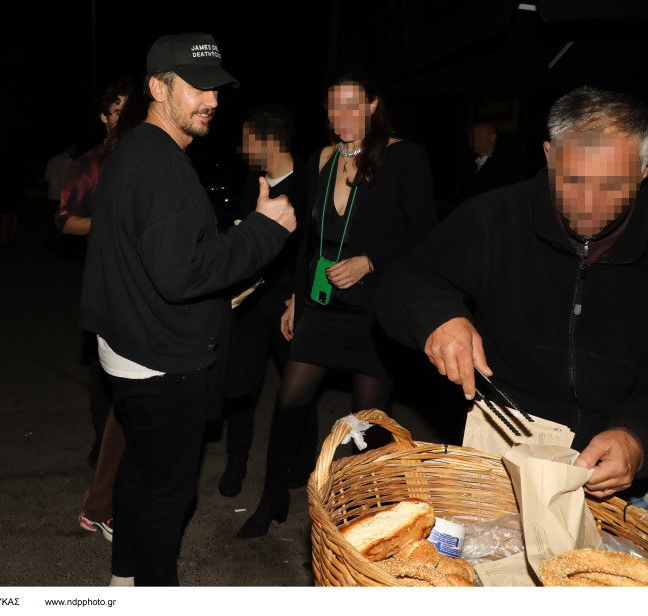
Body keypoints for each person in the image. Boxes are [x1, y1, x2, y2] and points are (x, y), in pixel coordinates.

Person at [374, 85, 648, 499]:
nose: (589, 203)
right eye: (572, 179)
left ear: (646, 168)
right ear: (548, 155)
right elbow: (404, 281)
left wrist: (644, 440)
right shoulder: (495, 217)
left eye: (612, 185)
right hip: (500, 456)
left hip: (617, 481)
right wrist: (436, 315)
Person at [80, 32, 296, 586]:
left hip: (128, 351)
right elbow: (183, 275)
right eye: (197, 87)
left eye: (217, 89)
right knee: (166, 496)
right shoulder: (158, 166)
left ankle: (124, 579)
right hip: (160, 364)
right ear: (157, 87)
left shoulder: (135, 150)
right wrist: (265, 233)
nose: (213, 101)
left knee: (138, 471)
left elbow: (161, 255)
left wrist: (235, 241)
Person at [237, 65, 436, 539]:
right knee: (288, 401)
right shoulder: (322, 158)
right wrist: (294, 300)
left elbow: (424, 233)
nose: (340, 114)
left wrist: (370, 260)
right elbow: (309, 238)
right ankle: (272, 500)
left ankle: (363, 518)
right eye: (333, 105)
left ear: (371, 106)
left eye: (351, 104)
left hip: (373, 312)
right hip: (321, 306)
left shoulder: (404, 157)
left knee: (364, 426)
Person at [64, 79, 143, 545]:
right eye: (114, 110)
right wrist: (109, 223)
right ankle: (102, 506)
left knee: (130, 405)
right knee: (122, 404)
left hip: (146, 293)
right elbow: (65, 221)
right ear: (103, 117)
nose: (121, 117)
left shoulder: (146, 157)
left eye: (127, 109)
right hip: (112, 294)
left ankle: (104, 505)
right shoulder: (89, 165)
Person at [217, 104, 309, 497]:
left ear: (268, 141)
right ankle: (235, 465)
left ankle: (297, 467)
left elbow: (315, 249)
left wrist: (299, 298)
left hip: (291, 305)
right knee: (242, 387)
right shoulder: (252, 183)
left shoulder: (309, 182)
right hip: (252, 305)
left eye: (247, 139)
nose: (241, 147)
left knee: (298, 390)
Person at [458, 122, 516, 203]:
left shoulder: (502, 166)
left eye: (479, 134)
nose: (474, 138)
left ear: (492, 138)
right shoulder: (468, 164)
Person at [45, 140, 77, 248]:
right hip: (63, 196)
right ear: (70, 148)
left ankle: (50, 243)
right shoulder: (69, 161)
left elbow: (47, 177)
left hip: (52, 194)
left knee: (51, 220)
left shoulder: (52, 160)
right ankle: (60, 245)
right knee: (62, 221)